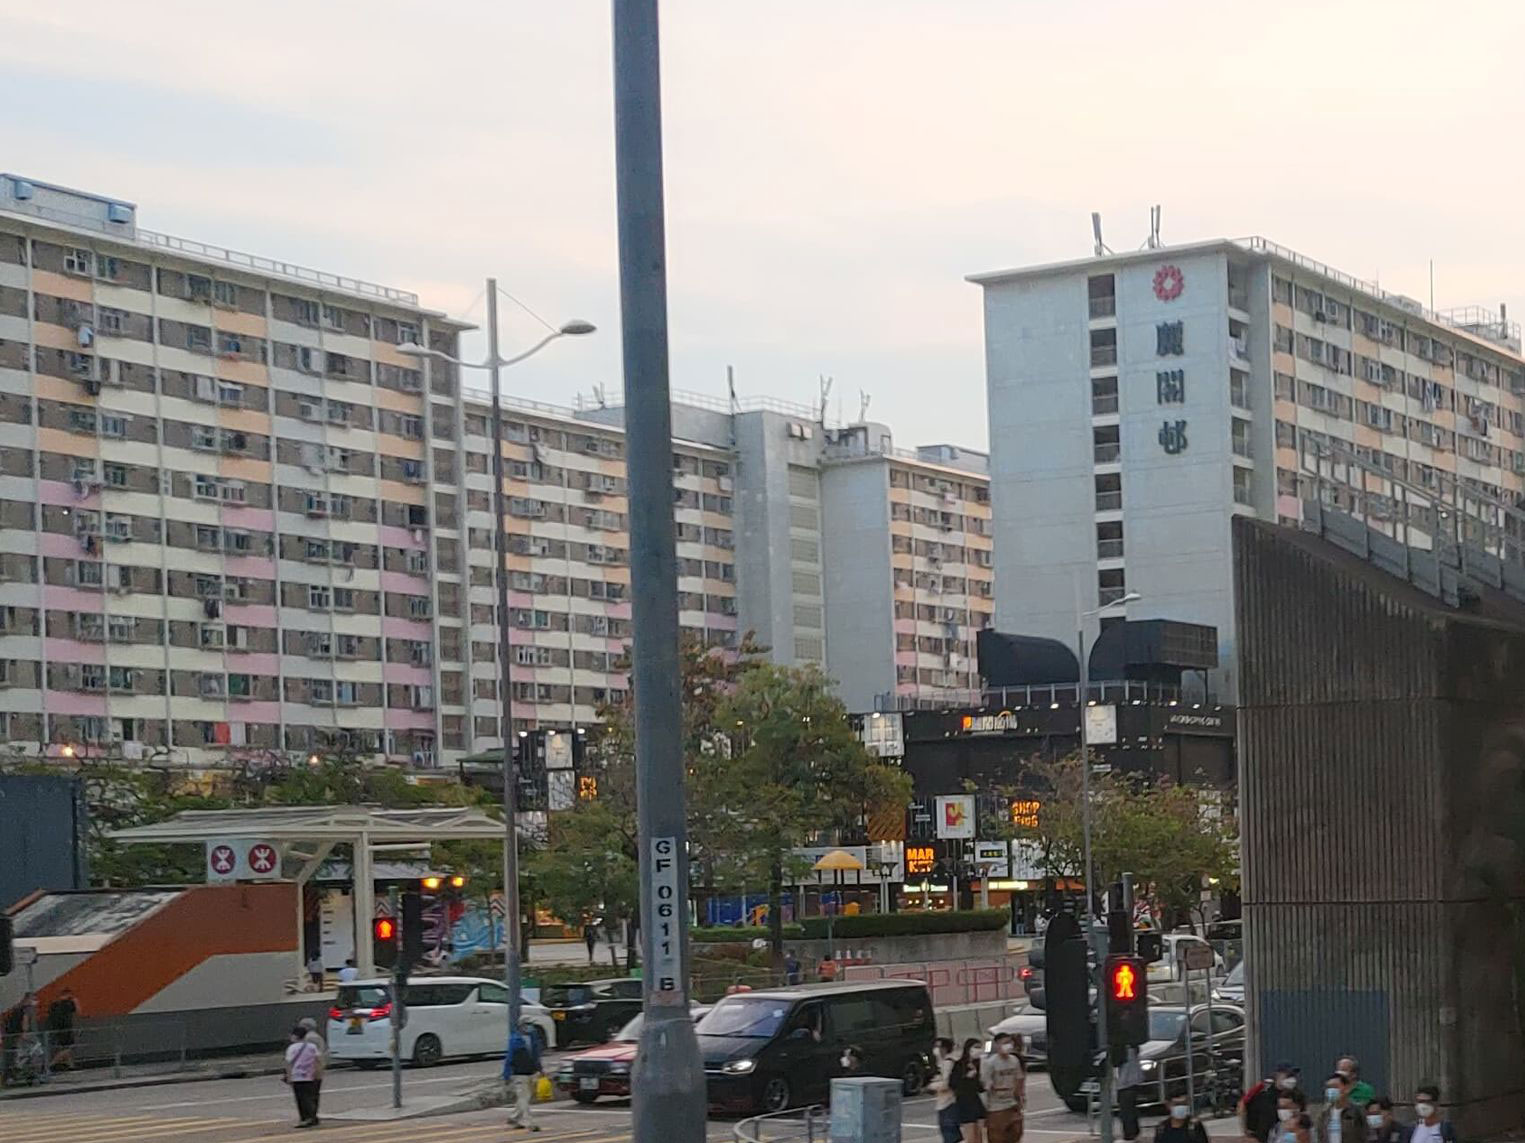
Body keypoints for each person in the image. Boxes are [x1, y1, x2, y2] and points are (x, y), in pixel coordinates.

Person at [981, 1032, 1025, 1143]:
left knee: (1016, 1134)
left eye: (1009, 1042)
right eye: (1004, 1043)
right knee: (998, 1137)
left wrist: (1020, 1099)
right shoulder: (990, 1063)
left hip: (1012, 1104)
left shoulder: (1014, 1060)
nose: (1008, 1045)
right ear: (997, 1045)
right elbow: (986, 1086)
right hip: (996, 1107)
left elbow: (1019, 1079)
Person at [1244, 1063, 1303, 1142]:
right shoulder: (1262, 1098)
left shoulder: (1298, 1097)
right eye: (1288, 1075)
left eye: (1293, 1076)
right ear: (1277, 1075)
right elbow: (1252, 1125)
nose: (1292, 1079)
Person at [504, 1019, 543, 1132]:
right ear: (521, 1026)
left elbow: (536, 1056)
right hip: (519, 1073)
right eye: (527, 1025)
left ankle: (514, 1117)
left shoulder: (533, 1038)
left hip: (531, 1072)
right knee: (523, 1098)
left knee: (525, 1097)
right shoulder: (515, 1039)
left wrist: (540, 1069)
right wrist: (506, 1074)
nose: (530, 1027)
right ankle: (529, 1123)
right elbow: (509, 1057)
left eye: (531, 1025)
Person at [949, 1038, 987, 1143]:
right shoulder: (959, 1065)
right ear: (968, 1049)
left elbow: (979, 1087)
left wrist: (983, 1084)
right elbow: (952, 1083)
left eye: (980, 1047)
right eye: (976, 1047)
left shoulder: (978, 1064)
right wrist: (966, 1077)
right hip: (964, 1101)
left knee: (980, 1133)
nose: (978, 1050)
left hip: (975, 1100)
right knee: (971, 1134)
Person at [283, 1024, 321, 1128]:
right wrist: (317, 1073)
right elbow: (317, 1060)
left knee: (301, 1099)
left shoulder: (292, 1048)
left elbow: (288, 1064)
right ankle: (312, 1117)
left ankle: (305, 1118)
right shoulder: (312, 1046)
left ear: (295, 1036)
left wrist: (289, 1077)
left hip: (297, 1076)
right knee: (310, 1097)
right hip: (310, 1075)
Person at [1317, 1072, 1368, 1143]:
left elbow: (1366, 1135)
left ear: (1347, 1088)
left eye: (1335, 1087)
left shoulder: (1357, 1111)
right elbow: (1320, 1137)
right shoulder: (1324, 1114)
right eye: (1329, 1087)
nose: (1331, 1090)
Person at [1, 993, 35, 1087]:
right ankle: (17, 1075)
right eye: (33, 999)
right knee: (22, 1055)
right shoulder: (25, 1009)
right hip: (16, 1036)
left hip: (9, 1035)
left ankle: (8, 1078)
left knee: (10, 1057)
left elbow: (7, 1021)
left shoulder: (15, 1008)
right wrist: (24, 1033)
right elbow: (25, 1022)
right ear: (28, 999)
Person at [298, 1017, 327, 1125]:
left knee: (306, 1094)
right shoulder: (318, 1037)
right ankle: (312, 1116)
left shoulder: (309, 1038)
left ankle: (309, 1117)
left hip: (309, 1069)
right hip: (317, 1068)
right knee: (313, 1094)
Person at [931, 1037, 961, 1143]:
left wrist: (932, 1086)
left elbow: (945, 1084)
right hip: (942, 1103)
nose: (937, 1049)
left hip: (949, 1103)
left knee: (950, 1133)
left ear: (945, 1048)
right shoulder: (941, 1063)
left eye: (939, 1046)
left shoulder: (948, 1063)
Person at [44, 988, 79, 1071]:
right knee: (68, 1048)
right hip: (66, 1028)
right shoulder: (68, 1003)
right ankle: (51, 1064)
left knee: (64, 1047)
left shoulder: (54, 1004)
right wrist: (76, 1002)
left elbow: (50, 1015)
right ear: (69, 994)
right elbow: (78, 1012)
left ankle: (71, 1066)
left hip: (57, 1029)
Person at [1117, 1045, 1144, 1142]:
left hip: (1126, 1083)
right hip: (1131, 1082)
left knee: (1126, 1111)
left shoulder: (1124, 1050)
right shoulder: (1131, 1049)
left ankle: (1130, 1135)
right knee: (1129, 1109)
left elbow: (1116, 1062)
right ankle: (1133, 1133)